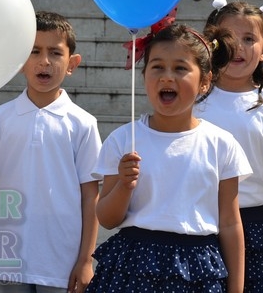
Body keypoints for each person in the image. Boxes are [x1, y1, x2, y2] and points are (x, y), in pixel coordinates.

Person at [86, 22, 253, 292]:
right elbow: (106, 218)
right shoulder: (122, 140)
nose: (167, 77)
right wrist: (123, 185)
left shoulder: (222, 144)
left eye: (180, 68)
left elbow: (230, 223)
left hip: (197, 267)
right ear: (143, 77)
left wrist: (236, 288)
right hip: (133, 264)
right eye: (157, 67)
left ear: (205, 81)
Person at [0, 11, 102, 293]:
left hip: (61, 262)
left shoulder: (82, 123)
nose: (44, 61)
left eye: (55, 53)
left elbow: (90, 195)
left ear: (72, 63)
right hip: (9, 259)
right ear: (21, 60)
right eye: (34, 51)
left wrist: (86, 259)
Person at [194, 0, 263, 292]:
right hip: (200, 222)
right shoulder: (192, 99)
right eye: (228, 38)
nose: (238, 47)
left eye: (249, 39)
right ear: (212, 44)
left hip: (254, 226)